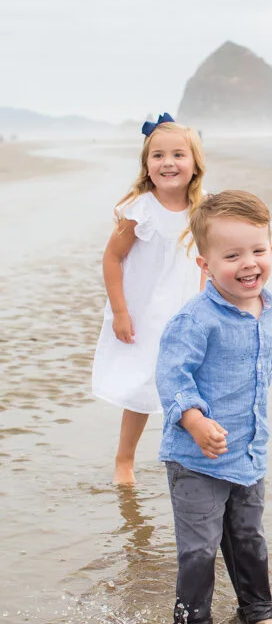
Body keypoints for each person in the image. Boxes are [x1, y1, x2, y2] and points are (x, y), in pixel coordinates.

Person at [155, 190, 272, 624]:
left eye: (258, 250)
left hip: (248, 451)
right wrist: (192, 419)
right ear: (204, 264)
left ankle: (258, 611)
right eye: (232, 256)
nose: (248, 264)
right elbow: (172, 375)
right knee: (199, 548)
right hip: (195, 457)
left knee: (248, 536)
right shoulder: (195, 319)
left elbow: (260, 378)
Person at [92, 114, 205, 485]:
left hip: (190, 310)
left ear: (195, 164)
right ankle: (124, 460)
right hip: (145, 312)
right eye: (157, 156)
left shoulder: (204, 210)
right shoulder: (140, 210)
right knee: (143, 385)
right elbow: (112, 258)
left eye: (177, 155)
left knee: (194, 383)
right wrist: (120, 312)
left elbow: (214, 258)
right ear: (146, 165)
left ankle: (193, 456)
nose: (168, 163)